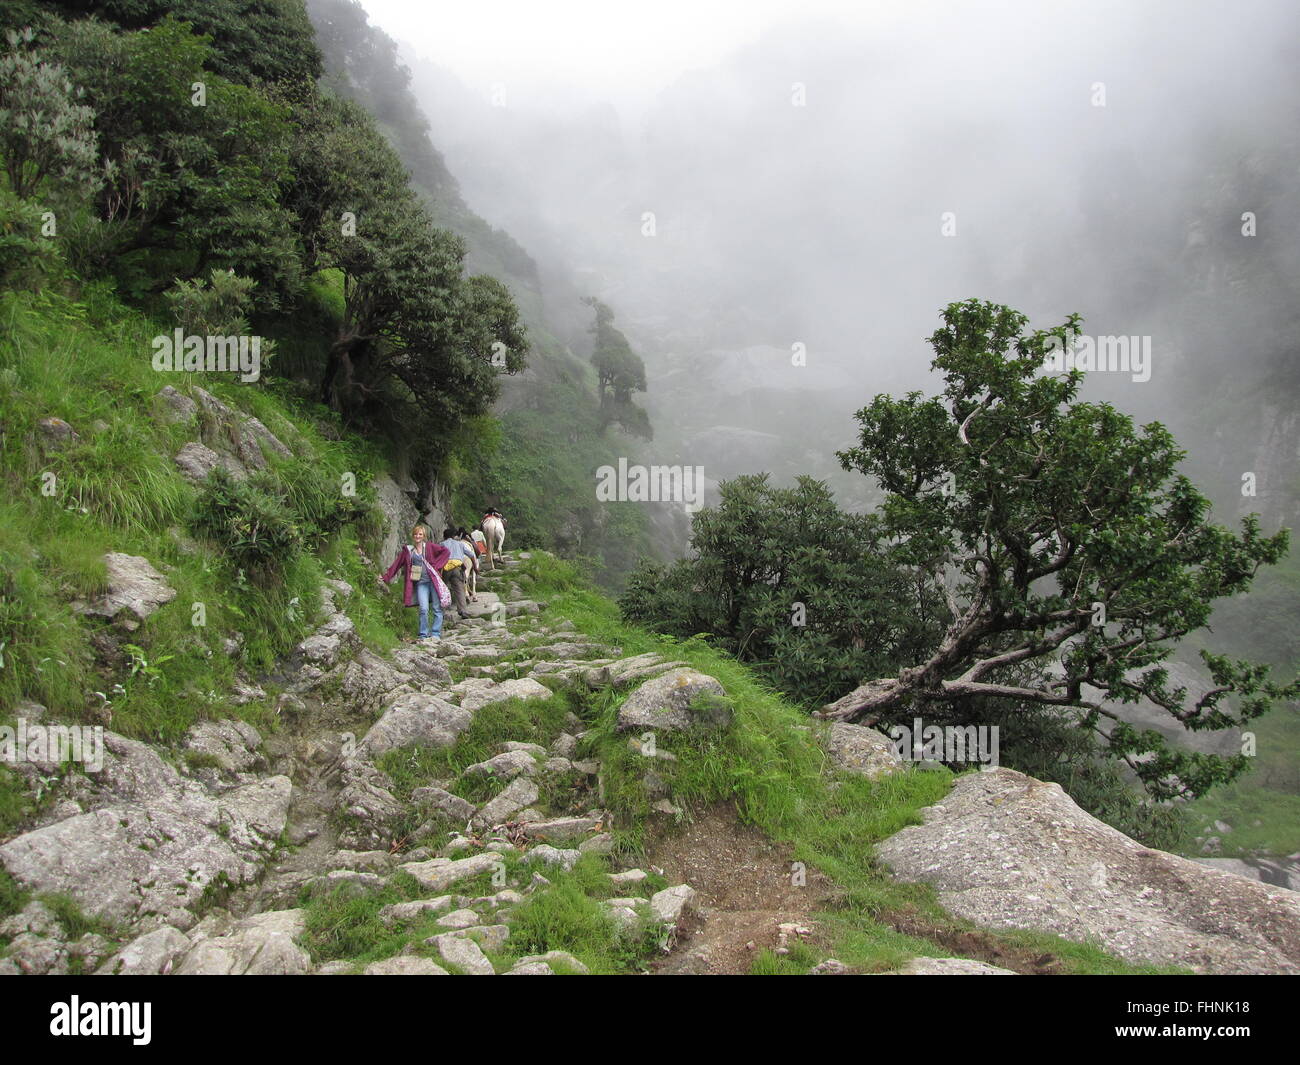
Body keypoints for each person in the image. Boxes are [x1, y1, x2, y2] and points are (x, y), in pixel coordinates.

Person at [380, 524, 449, 642]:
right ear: (413, 536)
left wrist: (436, 566)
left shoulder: (430, 547)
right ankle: (423, 634)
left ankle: (435, 634)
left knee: (437, 608)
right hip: (421, 583)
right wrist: (386, 577)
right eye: (416, 534)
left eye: (420, 534)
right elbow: (397, 564)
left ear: (424, 536)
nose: (418, 536)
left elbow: (446, 552)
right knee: (423, 608)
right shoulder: (408, 550)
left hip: (433, 582)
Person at [439, 527, 472, 618]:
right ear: (454, 536)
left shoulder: (442, 544)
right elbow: (471, 554)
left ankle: (441, 610)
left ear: (444, 537)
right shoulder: (460, 544)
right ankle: (463, 611)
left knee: (442, 588)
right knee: (459, 589)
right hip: (458, 568)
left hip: (445, 568)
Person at [456, 527, 481, 601]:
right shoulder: (468, 537)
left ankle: (466, 592)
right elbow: (475, 548)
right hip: (469, 554)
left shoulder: (456, 539)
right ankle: (473, 594)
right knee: (467, 574)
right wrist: (471, 540)